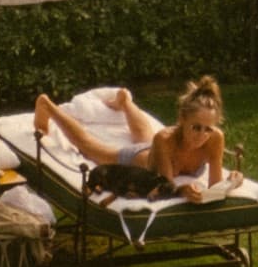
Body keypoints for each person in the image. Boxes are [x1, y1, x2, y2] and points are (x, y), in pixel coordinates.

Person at [34, 77, 228, 201]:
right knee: (88, 146)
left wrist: (233, 182)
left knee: (145, 137)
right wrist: (184, 189)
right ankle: (47, 106)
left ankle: (124, 102)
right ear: (181, 120)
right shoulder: (165, 139)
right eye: (196, 128)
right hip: (140, 160)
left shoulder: (215, 138)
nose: (201, 136)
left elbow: (216, 189)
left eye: (207, 129)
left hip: (154, 151)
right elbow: (166, 188)